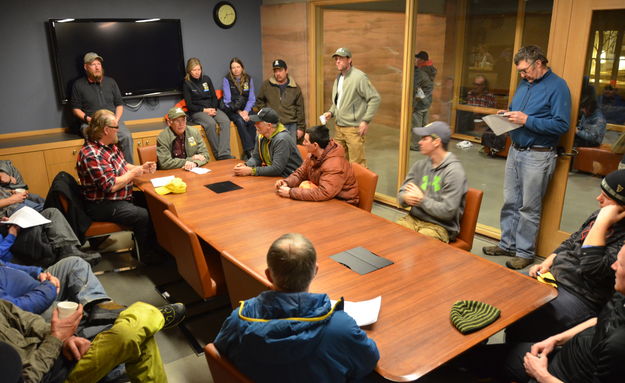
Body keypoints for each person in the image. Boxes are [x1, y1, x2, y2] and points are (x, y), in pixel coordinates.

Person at [214, 233, 379, 382]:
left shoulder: (238, 319)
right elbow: (369, 360)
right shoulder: (340, 327)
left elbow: (221, 351)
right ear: (315, 271)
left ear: (268, 274)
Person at [504, 169, 625, 343]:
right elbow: (572, 241)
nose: (598, 199)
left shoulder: (617, 235)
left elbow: (591, 268)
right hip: (553, 276)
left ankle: (511, 356)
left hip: (580, 295)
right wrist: (547, 262)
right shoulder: (599, 213)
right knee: (502, 294)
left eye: (606, 197)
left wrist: (602, 222)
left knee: (530, 316)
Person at [482, 45, 571, 270]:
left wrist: (526, 120)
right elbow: (516, 111)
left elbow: (561, 124)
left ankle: (524, 252)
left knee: (528, 207)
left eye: (524, 70)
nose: (522, 75)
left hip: (538, 155)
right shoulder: (524, 84)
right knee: (510, 201)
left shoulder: (558, 86)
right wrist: (506, 116)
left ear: (539, 63)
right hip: (516, 150)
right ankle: (507, 244)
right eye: (519, 72)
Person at [0, 298, 184, 383]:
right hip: (47, 376)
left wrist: (66, 339)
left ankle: (149, 318)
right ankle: (154, 315)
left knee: (137, 338)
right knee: (129, 335)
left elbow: (25, 319)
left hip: (57, 355)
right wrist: (56, 339)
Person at [76, 109, 162, 264]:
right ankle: (146, 255)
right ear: (106, 130)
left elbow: (123, 165)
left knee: (154, 201)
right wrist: (134, 173)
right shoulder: (91, 154)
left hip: (117, 197)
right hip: (102, 204)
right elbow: (110, 186)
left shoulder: (109, 146)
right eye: (116, 127)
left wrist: (141, 168)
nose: (119, 130)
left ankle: (158, 246)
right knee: (142, 215)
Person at [397, 122, 467, 243]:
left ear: (436, 142)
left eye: (425, 138)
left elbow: (448, 212)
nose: (419, 142)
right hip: (413, 219)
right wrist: (405, 197)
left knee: (417, 244)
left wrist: (422, 200)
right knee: (389, 237)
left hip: (439, 227)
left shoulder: (454, 172)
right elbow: (401, 194)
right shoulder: (419, 165)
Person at [0, 255, 124, 321]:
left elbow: (6, 265)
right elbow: (13, 309)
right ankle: (92, 321)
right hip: (31, 310)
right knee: (75, 314)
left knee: (74, 263)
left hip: (40, 287)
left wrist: (38, 273)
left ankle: (98, 304)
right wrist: (49, 287)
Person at [70, 52, 134, 164]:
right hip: (91, 123)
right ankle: (104, 170)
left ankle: (130, 171)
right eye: (93, 64)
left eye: (98, 64)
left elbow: (119, 105)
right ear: (86, 67)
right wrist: (90, 120)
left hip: (112, 121)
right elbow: (76, 109)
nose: (97, 67)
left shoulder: (111, 82)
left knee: (126, 136)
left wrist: (116, 120)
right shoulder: (78, 85)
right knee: (96, 141)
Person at [322, 47, 381, 167]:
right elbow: (338, 102)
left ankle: (359, 186)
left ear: (349, 60)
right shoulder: (339, 78)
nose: (337, 61)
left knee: (357, 165)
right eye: (336, 59)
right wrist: (330, 112)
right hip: (339, 129)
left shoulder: (359, 77)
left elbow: (374, 98)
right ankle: (344, 186)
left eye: (341, 58)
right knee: (338, 162)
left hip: (353, 129)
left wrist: (365, 121)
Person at [275, 125, 359, 205]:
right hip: (328, 198)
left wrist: (291, 192)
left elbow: (324, 192)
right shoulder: (312, 154)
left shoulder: (334, 165)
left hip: (343, 204)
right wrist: (286, 182)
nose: (303, 143)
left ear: (315, 145)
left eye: (306, 141)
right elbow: (300, 174)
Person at [1, 204, 100, 267]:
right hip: (12, 253)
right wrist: (11, 235)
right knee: (39, 229)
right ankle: (59, 257)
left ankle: (68, 251)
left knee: (51, 212)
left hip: (7, 230)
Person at [183, 57, 233, 160]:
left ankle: (224, 153)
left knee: (225, 121)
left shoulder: (206, 79)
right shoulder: (186, 83)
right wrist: (204, 110)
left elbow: (214, 97)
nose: (197, 72)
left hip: (212, 108)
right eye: (194, 70)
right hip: (197, 111)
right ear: (189, 71)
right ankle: (218, 155)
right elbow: (189, 105)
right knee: (211, 123)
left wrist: (213, 108)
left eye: (199, 69)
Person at [233, 107, 302, 177]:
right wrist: (246, 165)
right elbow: (256, 158)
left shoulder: (282, 139)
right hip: (275, 177)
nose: (255, 125)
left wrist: (251, 171)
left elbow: (276, 169)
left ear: (269, 125)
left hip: (289, 177)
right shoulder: (260, 136)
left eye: (258, 123)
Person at [255, 59, 305, 143]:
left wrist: (301, 128)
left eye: (280, 70)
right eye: (275, 71)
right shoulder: (266, 85)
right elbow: (259, 101)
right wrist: (266, 115)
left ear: (286, 70)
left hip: (290, 125)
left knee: (290, 152)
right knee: (274, 150)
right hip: (272, 125)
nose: (278, 73)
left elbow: (300, 109)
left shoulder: (295, 87)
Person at [222, 58, 257, 160]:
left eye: (238, 67)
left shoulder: (248, 78)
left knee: (252, 120)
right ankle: (249, 151)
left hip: (246, 108)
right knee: (240, 121)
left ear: (242, 68)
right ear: (230, 69)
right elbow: (227, 100)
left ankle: (255, 150)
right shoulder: (227, 79)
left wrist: (246, 111)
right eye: (233, 68)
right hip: (233, 109)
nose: (236, 70)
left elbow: (251, 98)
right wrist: (239, 112)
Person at [411, 51, 437, 150]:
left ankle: (416, 145)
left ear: (421, 60)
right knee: (425, 124)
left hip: (419, 102)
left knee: (417, 125)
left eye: (417, 59)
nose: (415, 61)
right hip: (427, 101)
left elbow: (414, 87)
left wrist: (412, 103)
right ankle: (426, 143)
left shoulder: (420, 72)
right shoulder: (431, 69)